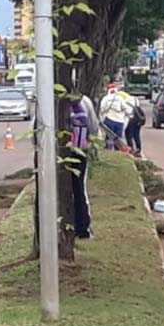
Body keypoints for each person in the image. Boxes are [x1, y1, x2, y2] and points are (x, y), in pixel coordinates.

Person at [69, 97, 93, 239]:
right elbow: (93, 127)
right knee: (79, 190)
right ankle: (82, 228)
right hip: (79, 152)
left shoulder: (49, 101)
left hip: (57, 154)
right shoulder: (84, 102)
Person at [99, 84, 132, 149]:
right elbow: (125, 108)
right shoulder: (120, 98)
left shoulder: (105, 98)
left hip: (108, 120)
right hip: (119, 122)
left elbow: (102, 108)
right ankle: (117, 150)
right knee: (118, 138)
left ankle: (109, 149)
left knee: (109, 137)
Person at [122, 91, 146, 156]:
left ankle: (131, 149)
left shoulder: (125, 101)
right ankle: (138, 149)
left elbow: (126, 112)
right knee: (136, 135)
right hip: (138, 119)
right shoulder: (135, 99)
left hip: (131, 120)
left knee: (129, 135)